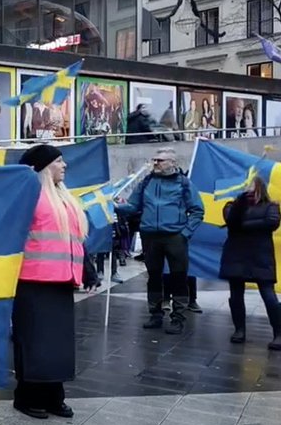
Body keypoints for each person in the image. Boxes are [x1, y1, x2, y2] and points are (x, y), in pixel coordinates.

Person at [12, 144, 87, 419]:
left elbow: (74, 237)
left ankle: (55, 396)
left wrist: (87, 268)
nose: (64, 165)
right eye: (58, 161)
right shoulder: (29, 195)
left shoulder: (63, 196)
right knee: (34, 342)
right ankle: (27, 396)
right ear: (43, 167)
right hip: (32, 281)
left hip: (61, 280)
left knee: (58, 344)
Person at [116, 147, 204, 334]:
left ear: (173, 163)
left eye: (160, 160)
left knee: (179, 277)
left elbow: (197, 210)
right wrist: (113, 206)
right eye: (154, 160)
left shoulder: (184, 183)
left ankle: (178, 317)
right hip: (151, 236)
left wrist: (185, 233)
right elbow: (133, 206)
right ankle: (155, 314)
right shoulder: (146, 182)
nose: (155, 163)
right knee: (154, 277)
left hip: (175, 237)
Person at [219, 175, 281, 348]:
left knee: (268, 295)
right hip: (236, 254)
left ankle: (278, 333)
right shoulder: (233, 206)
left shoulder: (271, 206)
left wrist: (243, 225)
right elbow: (231, 220)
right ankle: (239, 330)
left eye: (251, 186)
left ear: (260, 188)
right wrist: (241, 207)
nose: (247, 189)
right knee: (236, 294)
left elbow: (271, 222)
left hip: (260, 256)